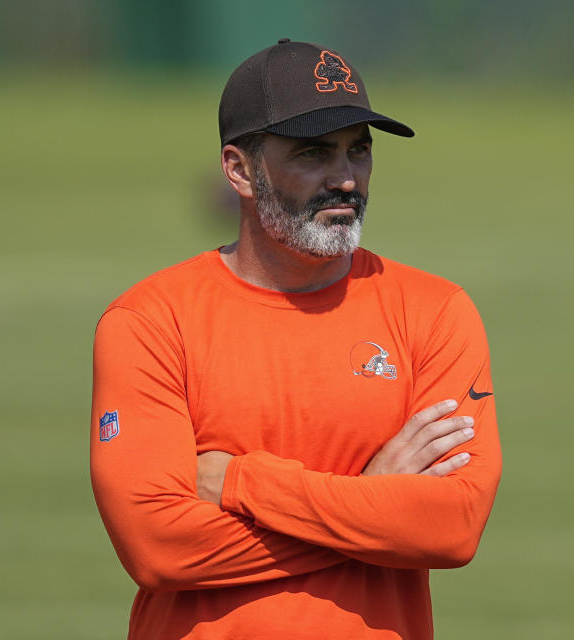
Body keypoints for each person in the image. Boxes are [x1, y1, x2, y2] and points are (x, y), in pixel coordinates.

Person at [90, 39, 501, 640]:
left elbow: (453, 527)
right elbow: (158, 549)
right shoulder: (151, 321)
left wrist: (240, 483)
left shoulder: (435, 312)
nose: (345, 177)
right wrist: (374, 504)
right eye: (313, 153)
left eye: (358, 151)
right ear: (238, 170)